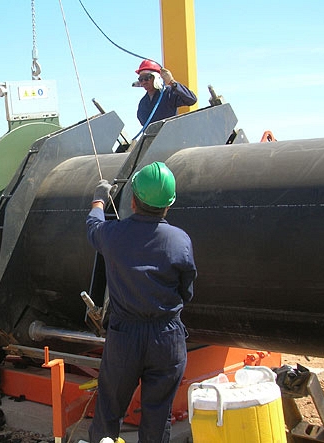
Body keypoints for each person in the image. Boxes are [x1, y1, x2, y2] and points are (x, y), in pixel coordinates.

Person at [86, 162, 197, 443]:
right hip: (166, 338)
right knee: (158, 416)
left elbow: (93, 226)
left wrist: (99, 200)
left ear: (133, 201)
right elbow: (187, 290)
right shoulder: (180, 241)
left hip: (125, 337)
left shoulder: (113, 235)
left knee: (109, 411)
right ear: (168, 205)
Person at [135, 59, 197, 126]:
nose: (144, 82)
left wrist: (172, 82)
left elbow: (191, 99)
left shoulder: (168, 93)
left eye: (146, 78)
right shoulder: (143, 103)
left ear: (156, 78)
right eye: (141, 79)